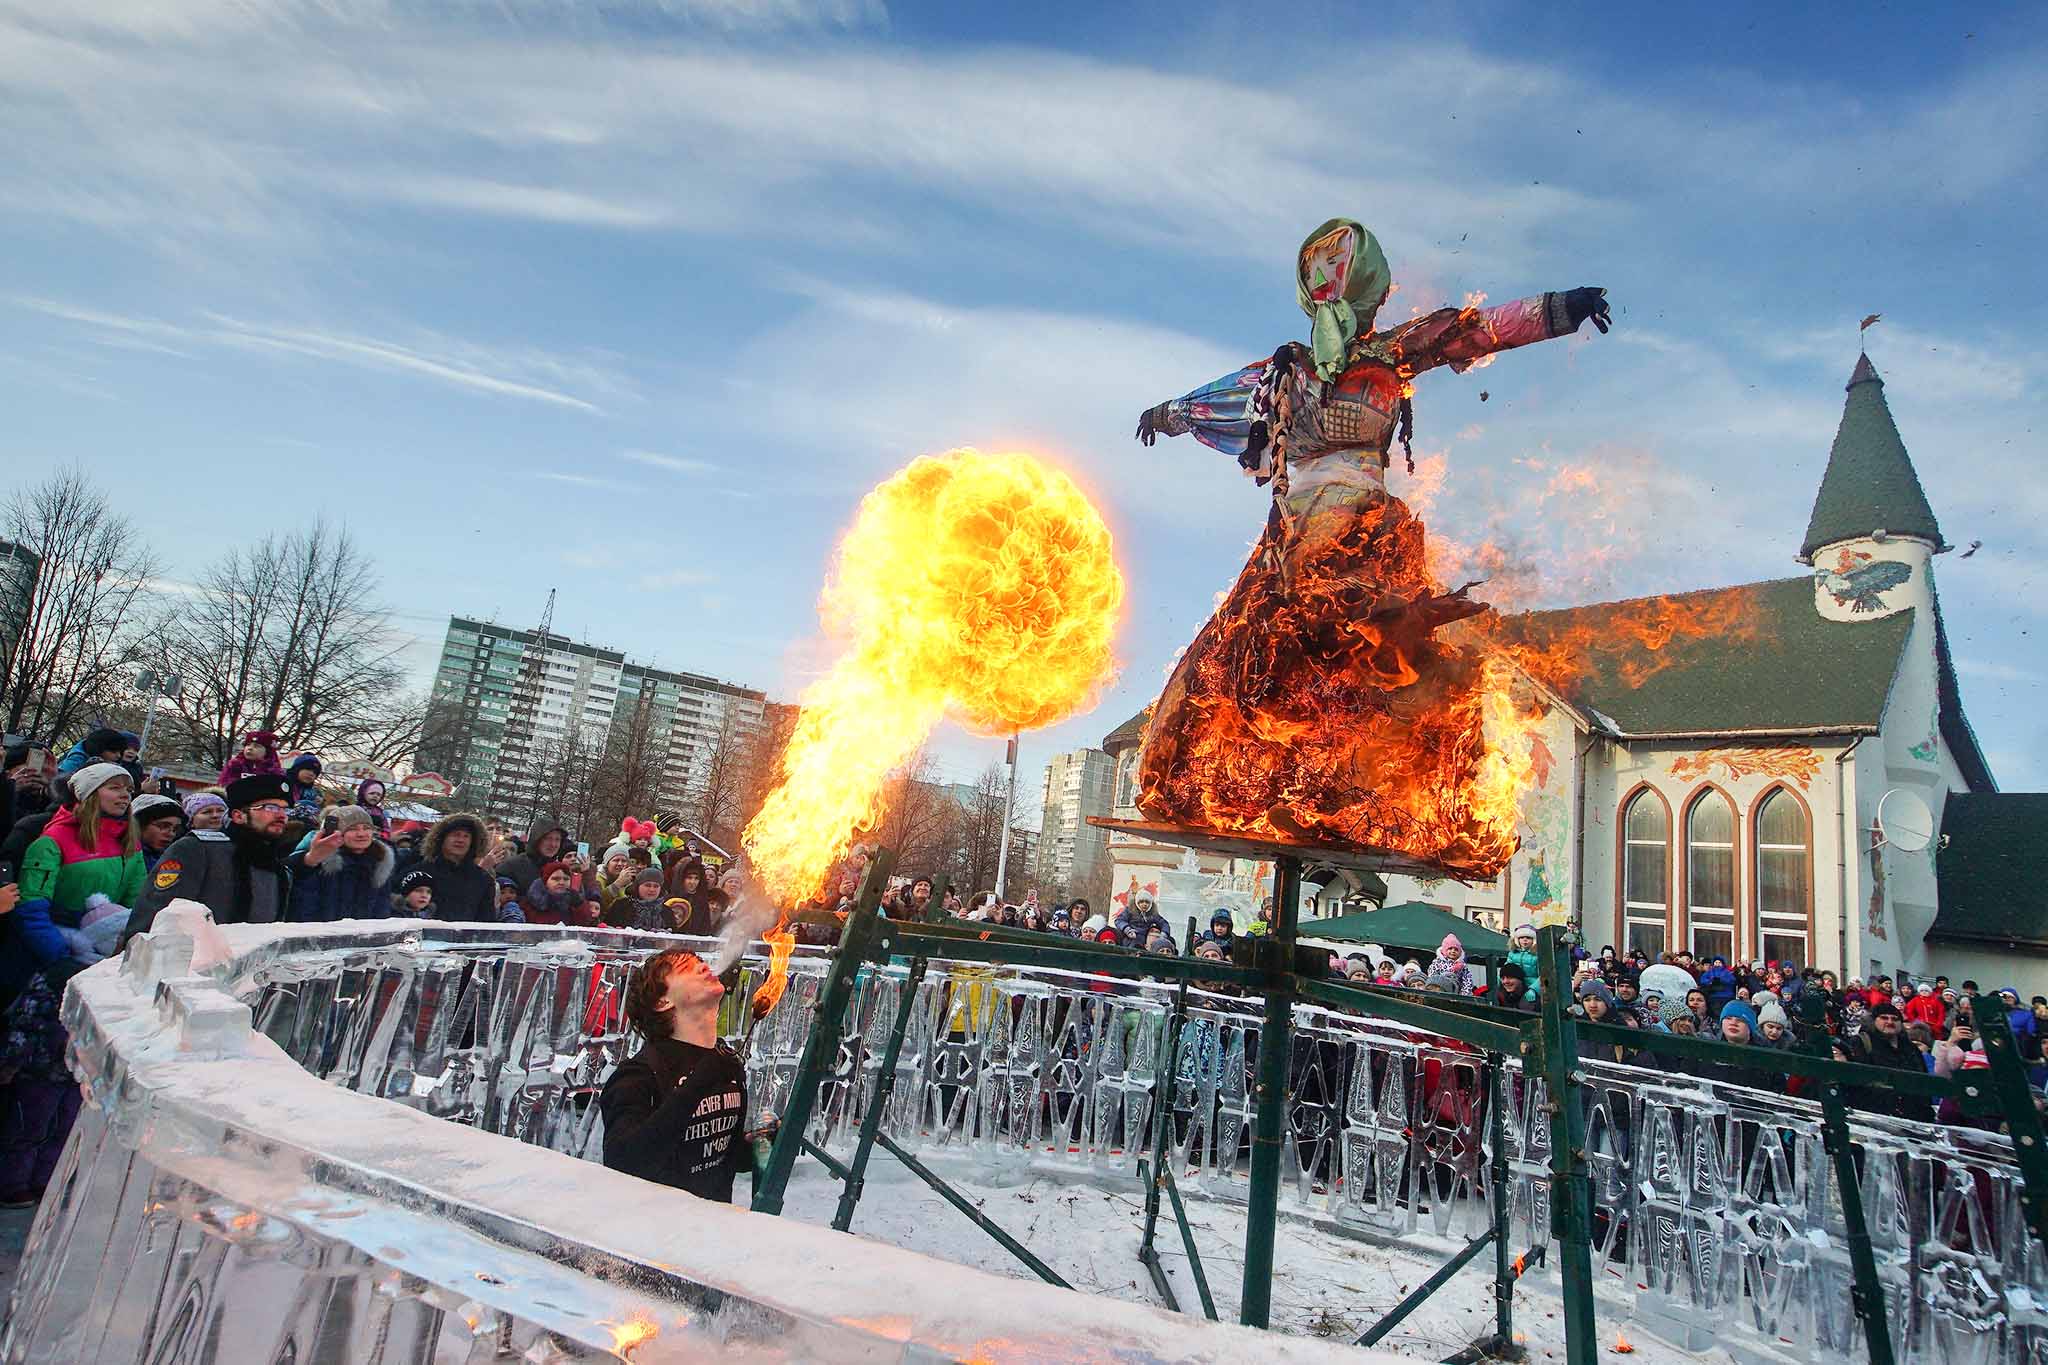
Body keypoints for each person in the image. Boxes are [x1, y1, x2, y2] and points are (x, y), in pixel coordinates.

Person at [599, 948, 764, 1202]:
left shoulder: (726, 1063)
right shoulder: (638, 1074)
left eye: (701, 961)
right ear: (662, 1001)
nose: (703, 967)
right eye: (686, 968)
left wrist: (758, 1144)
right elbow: (623, 1162)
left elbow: (716, 1156)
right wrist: (696, 1085)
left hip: (714, 1230)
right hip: (658, 1232)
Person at [126, 774, 295, 939]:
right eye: (270, 807)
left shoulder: (280, 869)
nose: (281, 815)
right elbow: (152, 919)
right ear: (238, 816)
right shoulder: (197, 850)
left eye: (285, 809)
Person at [18, 763, 144, 958]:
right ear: (88, 793)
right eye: (114, 787)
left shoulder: (130, 841)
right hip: (57, 949)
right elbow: (31, 906)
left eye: (129, 789)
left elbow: (136, 900)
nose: (125, 795)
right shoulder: (53, 840)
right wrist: (61, 955)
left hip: (108, 950)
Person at [288, 806, 394, 922]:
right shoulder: (318, 862)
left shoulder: (380, 864)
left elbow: (382, 910)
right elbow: (304, 908)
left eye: (367, 828)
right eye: (352, 829)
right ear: (337, 833)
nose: (361, 834)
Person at [1851, 1003, 1934, 1121]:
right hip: (1875, 1114)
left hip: (1913, 1113)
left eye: (1895, 1019)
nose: (1890, 1022)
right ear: (1874, 1020)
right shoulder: (1862, 1042)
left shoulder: (1910, 1047)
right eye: (1884, 1018)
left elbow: (1923, 1078)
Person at [410, 814, 499, 922]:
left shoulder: (483, 879)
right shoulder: (419, 872)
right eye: (455, 835)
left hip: (465, 937)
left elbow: (486, 921)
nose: (460, 840)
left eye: (466, 836)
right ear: (441, 839)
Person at [497, 821, 571, 900]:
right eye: (548, 838)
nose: (553, 844)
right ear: (536, 840)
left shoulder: (560, 869)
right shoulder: (511, 866)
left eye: (557, 840)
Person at [523, 860, 597, 926]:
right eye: (555, 879)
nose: (561, 882)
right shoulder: (530, 903)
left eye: (566, 879)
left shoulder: (576, 902)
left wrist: (579, 905)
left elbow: (585, 924)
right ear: (545, 882)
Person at [129, 794, 186, 873]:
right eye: (164, 826)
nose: (171, 834)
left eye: (175, 829)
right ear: (139, 825)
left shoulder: (174, 860)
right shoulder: (121, 858)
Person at [607, 864, 672, 931]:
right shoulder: (621, 906)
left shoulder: (666, 912)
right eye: (647, 885)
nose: (652, 889)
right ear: (638, 886)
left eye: (656, 886)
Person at [217, 729, 282, 787]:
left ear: (267, 752)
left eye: (257, 746)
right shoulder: (234, 765)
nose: (250, 748)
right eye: (248, 745)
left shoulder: (274, 771)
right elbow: (224, 785)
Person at [55, 727, 128, 778]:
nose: (118, 756)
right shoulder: (76, 761)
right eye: (113, 751)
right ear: (100, 748)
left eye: (120, 752)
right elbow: (59, 780)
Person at [282, 754, 324, 825]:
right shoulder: (281, 783)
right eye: (308, 769)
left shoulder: (311, 794)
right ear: (297, 768)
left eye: (315, 773)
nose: (311, 774)